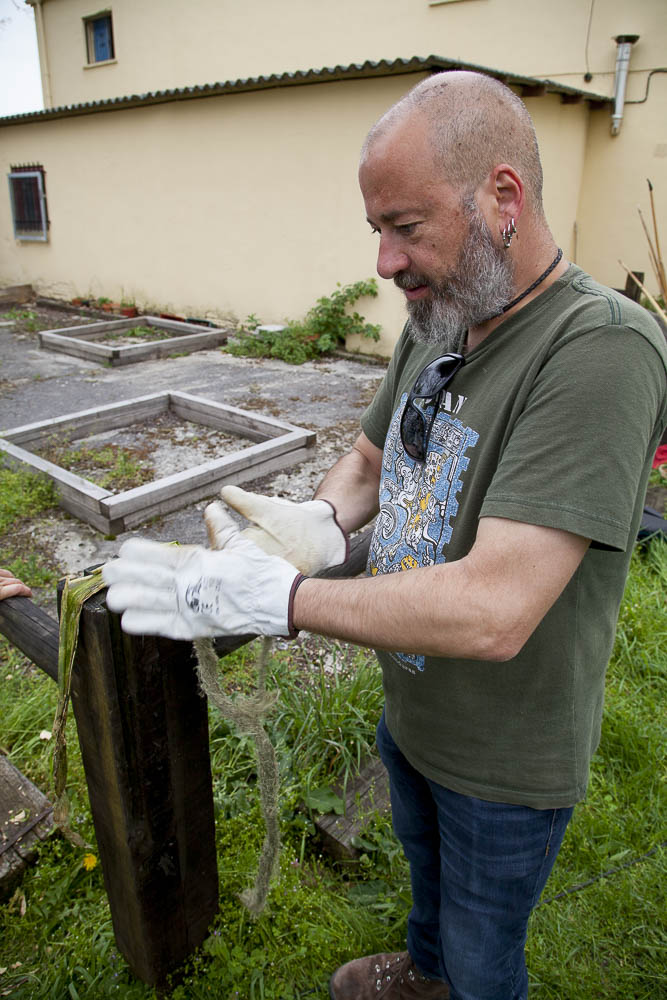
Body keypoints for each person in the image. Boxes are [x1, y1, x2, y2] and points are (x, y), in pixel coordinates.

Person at [103, 71, 667, 1000]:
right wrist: (317, 525)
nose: (384, 262)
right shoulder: (441, 316)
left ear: (502, 197)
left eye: (405, 227)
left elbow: (495, 609)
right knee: (428, 888)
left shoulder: (599, 351)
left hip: (505, 754)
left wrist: (280, 600)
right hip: (413, 710)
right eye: (376, 230)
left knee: (489, 954)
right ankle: (425, 973)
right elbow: (366, 464)